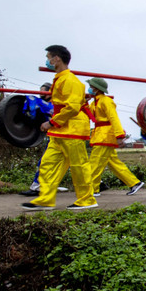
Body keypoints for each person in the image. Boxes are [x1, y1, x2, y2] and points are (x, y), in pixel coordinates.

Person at [22, 45, 97, 211]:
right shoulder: (60, 79)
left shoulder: (71, 81)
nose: (48, 61)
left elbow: (72, 107)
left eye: (49, 57)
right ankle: (46, 199)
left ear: (57, 59)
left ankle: (87, 199)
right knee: (47, 164)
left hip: (73, 130)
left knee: (78, 166)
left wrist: (51, 122)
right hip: (59, 130)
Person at [86, 78, 144, 197]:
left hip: (105, 136)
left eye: (91, 86)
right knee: (113, 163)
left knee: (95, 163)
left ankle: (93, 189)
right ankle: (134, 183)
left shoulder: (106, 101)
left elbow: (114, 118)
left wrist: (119, 135)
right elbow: (90, 115)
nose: (89, 88)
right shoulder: (94, 102)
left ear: (96, 89)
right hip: (100, 135)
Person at [19, 82, 54, 196]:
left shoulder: (53, 104)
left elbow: (34, 100)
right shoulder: (45, 106)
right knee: (45, 162)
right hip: (55, 138)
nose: (41, 94)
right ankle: (37, 187)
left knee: (78, 164)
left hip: (68, 137)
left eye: (44, 91)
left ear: (49, 92)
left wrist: (33, 100)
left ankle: (98, 183)